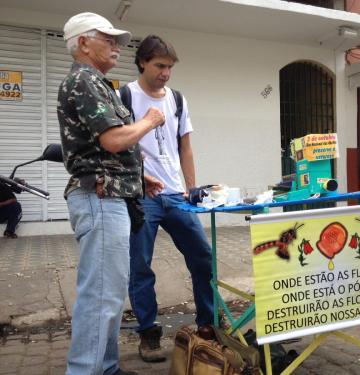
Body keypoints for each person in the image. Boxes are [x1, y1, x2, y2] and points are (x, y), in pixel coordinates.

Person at [57, 13, 165, 375]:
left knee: (109, 294)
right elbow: (113, 139)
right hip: (100, 198)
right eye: (108, 38)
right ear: (83, 43)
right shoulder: (84, 80)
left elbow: (103, 150)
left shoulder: (97, 81)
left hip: (110, 193)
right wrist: (149, 121)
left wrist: (139, 177)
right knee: (100, 296)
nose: (117, 45)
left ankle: (105, 367)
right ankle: (86, 370)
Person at [125, 35, 214, 362]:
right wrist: (136, 177)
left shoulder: (177, 99)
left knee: (203, 257)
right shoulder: (124, 96)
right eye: (160, 66)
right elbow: (118, 144)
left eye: (170, 67)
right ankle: (149, 333)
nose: (165, 73)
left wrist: (191, 188)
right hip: (143, 196)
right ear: (142, 63)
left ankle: (208, 325)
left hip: (177, 195)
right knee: (140, 265)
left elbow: (185, 146)